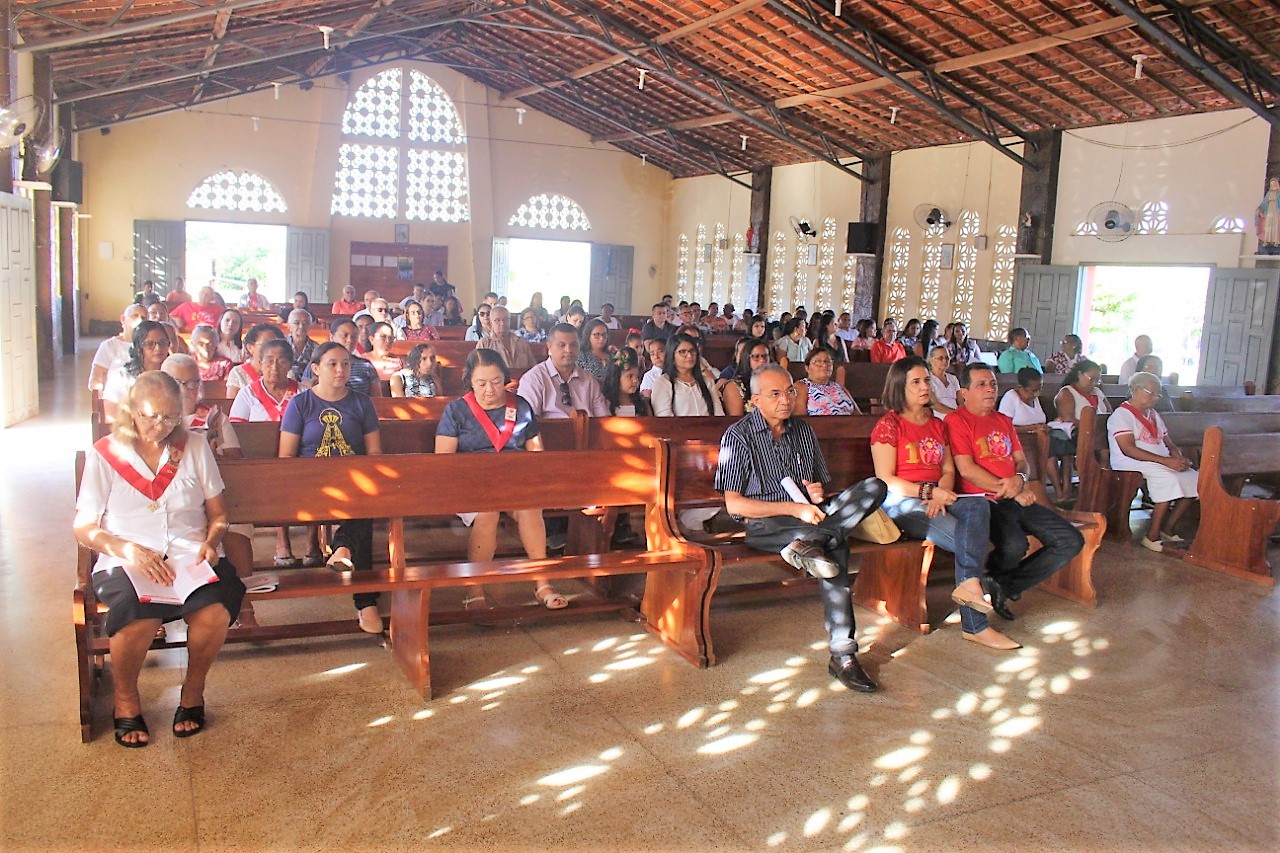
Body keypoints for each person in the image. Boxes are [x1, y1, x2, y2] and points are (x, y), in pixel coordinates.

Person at [73, 371, 246, 746]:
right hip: (128, 560)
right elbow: (83, 527)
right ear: (131, 410)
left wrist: (212, 541)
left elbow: (219, 515)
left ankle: (193, 691)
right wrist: (125, 549)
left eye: (170, 417)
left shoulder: (194, 446)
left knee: (213, 610)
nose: (160, 425)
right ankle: (125, 699)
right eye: (151, 415)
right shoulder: (105, 454)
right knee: (138, 616)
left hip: (188, 556)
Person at [716, 364, 888, 692]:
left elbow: (818, 485)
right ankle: (843, 656)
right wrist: (793, 508)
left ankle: (809, 544)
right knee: (835, 547)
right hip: (767, 525)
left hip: (811, 518)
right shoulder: (737, 436)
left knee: (874, 488)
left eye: (790, 392)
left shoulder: (803, 431)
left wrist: (815, 492)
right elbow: (735, 506)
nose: (786, 400)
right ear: (755, 400)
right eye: (776, 394)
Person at [871, 358, 1015, 650]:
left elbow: (949, 470)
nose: (925, 386)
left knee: (978, 506)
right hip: (903, 504)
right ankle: (975, 623)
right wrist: (928, 493)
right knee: (966, 536)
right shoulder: (889, 425)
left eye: (926, 380)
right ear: (900, 386)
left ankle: (969, 588)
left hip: (936, 496)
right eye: (916, 382)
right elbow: (885, 480)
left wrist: (941, 492)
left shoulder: (937, 424)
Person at [946, 364, 1084, 621]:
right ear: (964, 392)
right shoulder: (956, 421)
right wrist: (1011, 490)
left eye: (993, 384)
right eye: (981, 385)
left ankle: (1004, 584)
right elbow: (967, 470)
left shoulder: (1003, 421)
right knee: (1014, 544)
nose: (990, 389)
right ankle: (998, 580)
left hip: (1014, 495)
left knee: (1070, 540)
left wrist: (1020, 479)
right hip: (982, 501)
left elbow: (1022, 462)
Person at [435, 349, 566, 610]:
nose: (489, 390)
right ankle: (474, 585)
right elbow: (443, 461)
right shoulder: (457, 410)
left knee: (531, 508)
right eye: (481, 383)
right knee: (487, 513)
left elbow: (536, 452)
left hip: (515, 482)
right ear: (469, 382)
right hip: (471, 486)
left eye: (496, 382)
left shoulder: (521, 406)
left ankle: (542, 582)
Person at [280, 342, 384, 634]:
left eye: (346, 364)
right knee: (361, 515)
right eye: (332, 364)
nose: (341, 370)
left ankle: (344, 553)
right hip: (311, 484)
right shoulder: (300, 404)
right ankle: (366, 602)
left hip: (354, 483)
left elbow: (374, 454)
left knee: (363, 508)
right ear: (315, 369)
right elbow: (286, 457)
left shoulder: (362, 403)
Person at [1109, 372, 1200, 552]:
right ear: (1135, 390)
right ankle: (1151, 535)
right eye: (1150, 392)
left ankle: (1168, 527)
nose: (1155, 398)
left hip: (1158, 460)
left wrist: (1176, 454)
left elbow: (1167, 441)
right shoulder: (1122, 415)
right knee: (1167, 478)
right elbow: (1128, 449)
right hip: (1131, 461)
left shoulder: (1153, 414)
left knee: (1195, 478)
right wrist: (1166, 462)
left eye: (1157, 394)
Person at [517, 324, 611, 418]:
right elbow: (527, 423)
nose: (568, 350)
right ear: (549, 347)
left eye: (573, 345)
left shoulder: (589, 380)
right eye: (562, 345)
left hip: (588, 431)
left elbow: (604, 418)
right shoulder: (533, 379)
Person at [1048, 359, 1109, 497]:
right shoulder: (1067, 392)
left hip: (1100, 432)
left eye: (1097, 380)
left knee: (1106, 448)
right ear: (1079, 374)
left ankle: (1101, 485)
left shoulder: (1097, 392)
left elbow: (1108, 412)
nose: (1094, 383)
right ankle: (1088, 488)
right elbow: (1068, 417)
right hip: (1079, 433)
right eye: (1091, 379)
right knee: (1103, 450)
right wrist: (1091, 426)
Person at [103, 321, 172, 422]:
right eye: (149, 344)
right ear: (138, 348)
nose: (158, 348)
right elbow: (112, 417)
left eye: (162, 343)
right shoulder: (121, 377)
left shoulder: (174, 374)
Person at [302, 318, 381, 396]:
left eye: (354, 336)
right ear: (332, 337)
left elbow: (377, 399)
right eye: (344, 336)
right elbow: (306, 391)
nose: (350, 340)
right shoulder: (319, 363)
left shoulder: (365, 365)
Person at [652, 334, 724, 417]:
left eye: (692, 351)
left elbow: (719, 415)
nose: (689, 355)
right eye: (682, 352)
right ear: (672, 355)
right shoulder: (663, 383)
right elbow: (664, 419)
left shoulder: (708, 382)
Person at [90, 304, 148, 391]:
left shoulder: (151, 346)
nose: (140, 320)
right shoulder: (109, 345)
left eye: (144, 318)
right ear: (123, 319)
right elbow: (95, 378)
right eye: (135, 316)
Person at [225, 323, 285, 396]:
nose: (271, 349)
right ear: (250, 348)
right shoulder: (239, 373)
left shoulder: (285, 371)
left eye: (274, 344)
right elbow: (232, 405)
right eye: (265, 343)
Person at [721, 338, 772, 417]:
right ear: (747, 359)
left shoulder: (773, 382)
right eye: (756, 357)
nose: (762, 360)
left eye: (765, 356)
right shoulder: (734, 387)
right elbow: (736, 423)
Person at [800, 348, 859, 416]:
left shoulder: (839, 387)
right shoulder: (802, 386)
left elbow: (859, 416)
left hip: (851, 425)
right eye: (818, 362)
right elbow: (800, 420)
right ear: (807, 368)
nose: (824, 365)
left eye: (828, 361)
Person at [476, 305, 534, 370]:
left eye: (505, 319)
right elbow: (479, 370)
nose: (502, 323)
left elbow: (532, 367)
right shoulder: (485, 344)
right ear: (491, 323)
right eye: (497, 320)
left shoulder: (521, 342)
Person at [603, 347, 650, 416]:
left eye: (637, 376)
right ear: (617, 377)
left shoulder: (643, 404)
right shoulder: (605, 404)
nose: (635, 380)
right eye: (630, 376)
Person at [926, 345, 960, 417]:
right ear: (931, 361)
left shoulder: (953, 378)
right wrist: (955, 414)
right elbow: (934, 404)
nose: (945, 361)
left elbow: (961, 401)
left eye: (947, 358)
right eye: (940, 358)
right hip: (938, 418)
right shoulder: (927, 379)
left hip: (956, 417)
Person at [576, 318, 614, 382]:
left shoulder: (612, 355)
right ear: (588, 335)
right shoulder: (581, 355)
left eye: (604, 335)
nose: (601, 338)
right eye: (596, 335)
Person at [639, 337, 666, 401]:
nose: (656, 357)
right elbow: (646, 399)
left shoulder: (676, 371)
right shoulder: (649, 376)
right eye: (652, 354)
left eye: (660, 352)